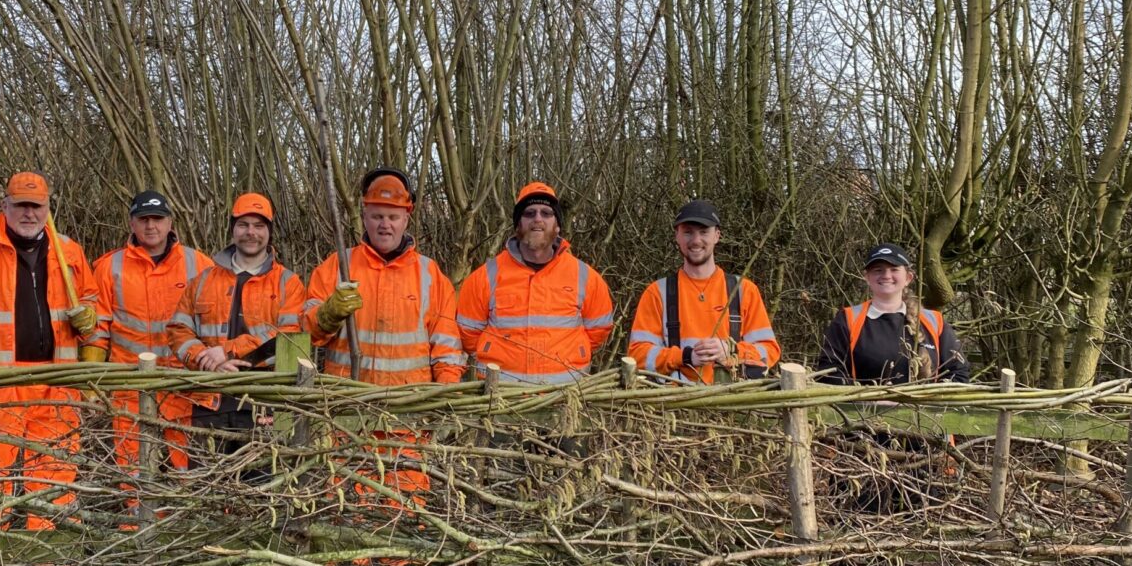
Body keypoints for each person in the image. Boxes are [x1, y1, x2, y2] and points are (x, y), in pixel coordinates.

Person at [0, 171, 98, 530]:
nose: (29, 213)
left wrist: (90, 325)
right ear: (5, 206)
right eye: (21, 205)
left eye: (37, 206)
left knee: (54, 483)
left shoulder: (70, 253)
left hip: (57, 384)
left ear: (48, 209)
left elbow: (94, 307)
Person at [165, 192, 306, 454]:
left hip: (264, 401)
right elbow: (178, 330)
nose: (250, 232)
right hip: (209, 399)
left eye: (258, 226)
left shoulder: (289, 283)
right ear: (232, 230)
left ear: (270, 231)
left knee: (261, 483)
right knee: (204, 484)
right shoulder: (204, 280)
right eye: (243, 225)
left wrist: (228, 351)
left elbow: (287, 337)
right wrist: (203, 358)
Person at [303, 168, 466, 386]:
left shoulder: (430, 274)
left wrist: (447, 391)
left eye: (393, 217)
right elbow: (306, 331)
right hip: (346, 399)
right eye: (377, 216)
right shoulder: (339, 265)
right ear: (364, 217)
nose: (385, 225)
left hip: (410, 403)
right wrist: (327, 315)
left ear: (406, 220)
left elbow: (447, 346)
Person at [89, 189, 205, 475]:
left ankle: (190, 517)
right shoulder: (108, 268)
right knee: (133, 468)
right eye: (143, 219)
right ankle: (135, 519)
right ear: (131, 223)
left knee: (189, 467)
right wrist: (91, 383)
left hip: (183, 383)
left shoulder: (200, 265)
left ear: (170, 222)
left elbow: (213, 326)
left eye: (157, 218)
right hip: (129, 383)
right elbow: (96, 331)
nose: (150, 226)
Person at [455, 182, 615, 384]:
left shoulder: (586, 277)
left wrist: (574, 352)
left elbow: (599, 330)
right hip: (500, 401)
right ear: (518, 224)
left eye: (546, 213)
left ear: (557, 225)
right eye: (529, 213)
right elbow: (468, 335)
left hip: (566, 397)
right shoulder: (484, 277)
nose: (537, 219)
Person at [627, 199, 780, 383]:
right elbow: (637, 355)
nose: (696, 240)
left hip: (734, 401)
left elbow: (769, 351)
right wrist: (685, 357)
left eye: (704, 232)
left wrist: (731, 351)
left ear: (717, 235)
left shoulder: (744, 291)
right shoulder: (657, 293)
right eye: (688, 232)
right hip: (674, 404)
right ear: (677, 236)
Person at [816, 244, 969, 384]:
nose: (886, 275)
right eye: (878, 270)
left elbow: (958, 373)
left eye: (894, 269)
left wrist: (930, 403)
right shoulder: (849, 319)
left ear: (908, 278)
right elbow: (829, 372)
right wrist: (871, 401)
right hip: (863, 412)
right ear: (867, 277)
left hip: (926, 413)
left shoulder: (934, 321)